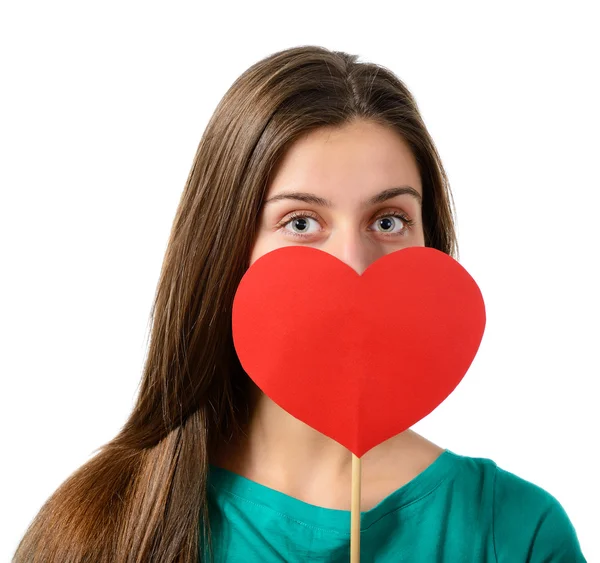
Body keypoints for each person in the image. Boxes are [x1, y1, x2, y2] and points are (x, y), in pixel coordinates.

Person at [13, 46, 585, 563]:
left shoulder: (516, 534)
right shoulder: (102, 527)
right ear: (229, 246)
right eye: (302, 222)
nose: (353, 265)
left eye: (388, 221)